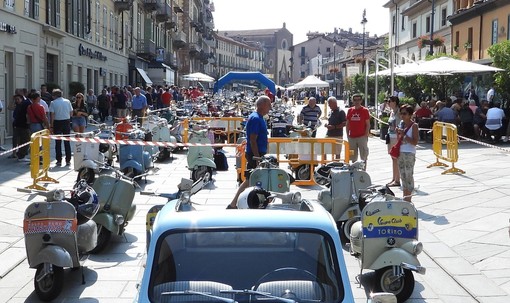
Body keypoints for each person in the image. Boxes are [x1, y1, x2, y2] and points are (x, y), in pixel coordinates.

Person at [227, 96, 272, 209]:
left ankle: (242, 202)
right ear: (262, 105)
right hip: (255, 155)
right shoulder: (256, 118)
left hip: (257, 154)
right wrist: (257, 158)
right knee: (250, 180)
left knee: (253, 180)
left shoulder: (258, 117)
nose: (270, 107)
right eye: (269, 105)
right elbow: (252, 139)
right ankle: (234, 203)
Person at [396, 104, 418, 202]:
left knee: (409, 175)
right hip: (400, 152)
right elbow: (399, 140)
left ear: (410, 114)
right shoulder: (401, 124)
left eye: (404, 113)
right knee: (403, 175)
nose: (402, 116)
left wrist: (404, 134)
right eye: (401, 113)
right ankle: (405, 197)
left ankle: (408, 199)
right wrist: (399, 133)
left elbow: (415, 142)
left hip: (409, 153)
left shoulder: (414, 125)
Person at [49, 89, 73, 166]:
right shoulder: (67, 101)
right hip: (66, 122)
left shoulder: (53, 103)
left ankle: (59, 160)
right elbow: (71, 112)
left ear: (55, 95)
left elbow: (52, 115)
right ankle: (68, 160)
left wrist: (51, 125)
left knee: (58, 142)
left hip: (57, 123)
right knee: (67, 142)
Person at [346, 93, 371, 163]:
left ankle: (363, 171)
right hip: (352, 137)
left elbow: (368, 124)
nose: (357, 102)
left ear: (361, 101)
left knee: (364, 156)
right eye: (355, 100)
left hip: (362, 137)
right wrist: (347, 135)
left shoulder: (365, 110)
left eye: (358, 100)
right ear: (352, 101)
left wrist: (366, 135)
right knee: (352, 157)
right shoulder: (350, 110)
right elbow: (347, 124)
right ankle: (354, 172)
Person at [386, 96, 402, 187]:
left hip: (396, 137)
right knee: (392, 158)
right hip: (390, 136)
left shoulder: (399, 112)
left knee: (396, 158)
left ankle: (397, 180)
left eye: (390, 101)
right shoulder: (391, 112)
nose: (388, 103)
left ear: (395, 102)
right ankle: (394, 178)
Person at [11, 94, 32, 162]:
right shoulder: (23, 105)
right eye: (16, 99)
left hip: (19, 125)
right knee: (25, 140)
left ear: (22, 99)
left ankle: (20, 154)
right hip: (22, 126)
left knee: (22, 140)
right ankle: (21, 155)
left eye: (18, 99)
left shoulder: (22, 105)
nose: (17, 101)